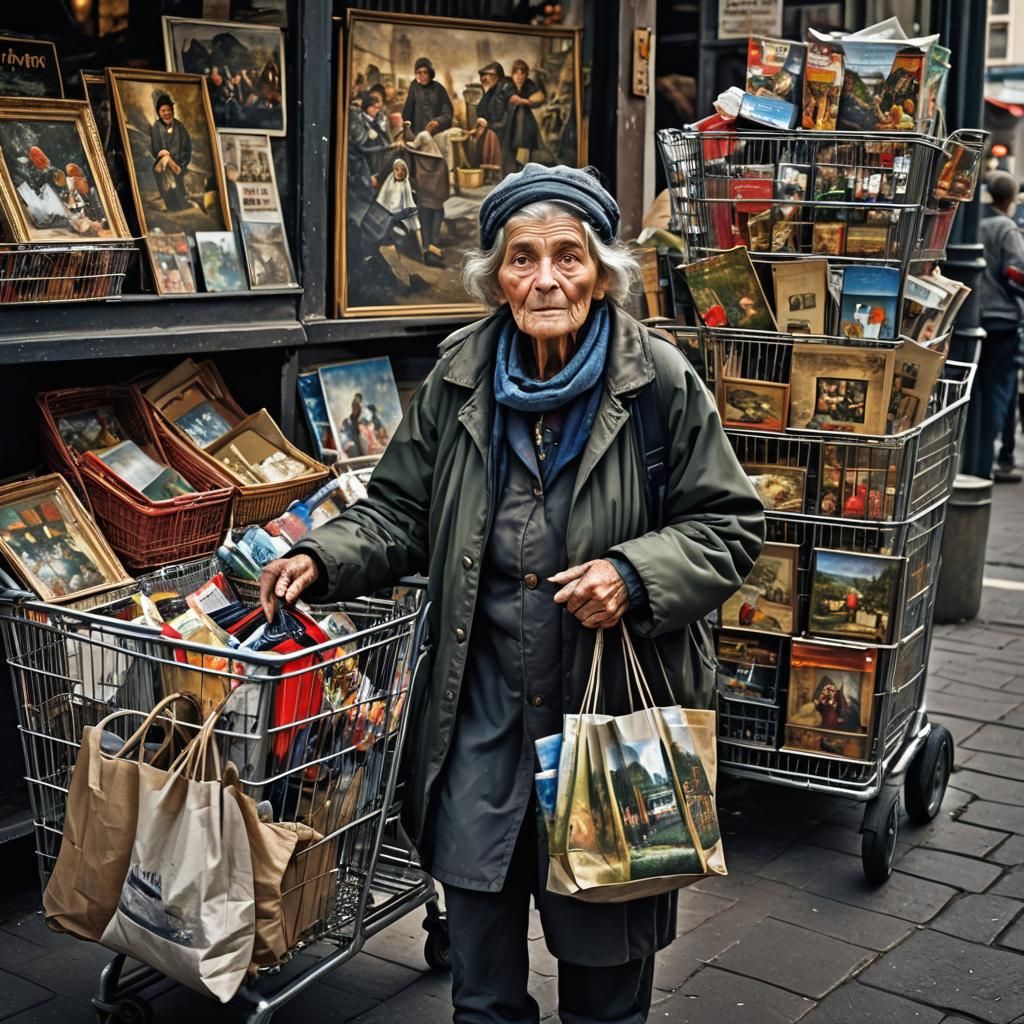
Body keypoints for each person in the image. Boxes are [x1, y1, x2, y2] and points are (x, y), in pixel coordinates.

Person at [260, 163, 764, 1024]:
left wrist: (633, 573)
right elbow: (400, 509)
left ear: (601, 274)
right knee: (482, 995)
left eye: (568, 257)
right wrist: (323, 555)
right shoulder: (460, 375)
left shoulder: (659, 382)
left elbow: (729, 524)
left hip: (608, 726)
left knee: (606, 994)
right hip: (480, 722)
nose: (545, 279)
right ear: (497, 278)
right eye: (523, 258)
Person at [963, 171, 1024, 481]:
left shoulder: (972, 223)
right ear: (1010, 199)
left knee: (972, 394)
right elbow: (1017, 271)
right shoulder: (1006, 228)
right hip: (1002, 323)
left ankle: (971, 463)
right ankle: (984, 465)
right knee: (997, 394)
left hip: (972, 318)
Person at [405, 130, 450, 267]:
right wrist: (440, 197)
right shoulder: (441, 162)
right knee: (435, 233)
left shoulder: (418, 160)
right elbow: (446, 186)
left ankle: (426, 254)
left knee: (426, 230)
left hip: (424, 203)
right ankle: (433, 255)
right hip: (438, 204)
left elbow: (415, 182)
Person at [149, 93, 192, 213]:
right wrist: (164, 155)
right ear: (159, 112)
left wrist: (181, 163)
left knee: (171, 166)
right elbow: (155, 148)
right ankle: (169, 203)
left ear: (172, 110)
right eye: (163, 110)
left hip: (179, 164)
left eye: (168, 110)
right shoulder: (156, 127)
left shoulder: (180, 127)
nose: (166, 113)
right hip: (162, 163)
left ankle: (178, 202)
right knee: (165, 162)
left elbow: (186, 147)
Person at [473, 61, 516, 177]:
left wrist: (488, 125)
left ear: (497, 77)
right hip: (492, 128)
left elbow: (506, 120)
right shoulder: (490, 91)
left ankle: (492, 173)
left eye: (490, 76)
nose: (485, 79)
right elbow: (480, 110)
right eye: (484, 76)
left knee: (489, 136)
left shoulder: (505, 90)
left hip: (502, 132)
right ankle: (485, 173)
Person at [508, 59, 545, 167]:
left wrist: (524, 101)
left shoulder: (529, 84)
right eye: (516, 73)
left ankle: (524, 167)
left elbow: (540, 97)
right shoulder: (508, 84)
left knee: (525, 141)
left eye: (522, 74)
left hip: (524, 121)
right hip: (509, 120)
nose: (519, 77)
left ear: (526, 75)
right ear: (512, 74)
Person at [402, 56, 453, 136]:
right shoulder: (414, 87)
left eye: (425, 72)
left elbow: (448, 113)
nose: (422, 75)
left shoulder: (439, 88)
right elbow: (407, 112)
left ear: (430, 73)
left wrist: (437, 121)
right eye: (419, 73)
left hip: (436, 134)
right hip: (417, 134)